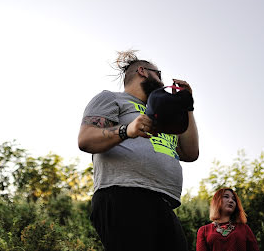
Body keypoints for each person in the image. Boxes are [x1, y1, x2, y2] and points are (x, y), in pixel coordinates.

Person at [78, 50, 199, 251]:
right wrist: (128, 130)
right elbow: (85, 139)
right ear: (142, 71)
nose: (162, 82)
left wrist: (187, 106)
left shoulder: (161, 115)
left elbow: (190, 152)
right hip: (123, 196)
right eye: (158, 74)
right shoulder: (112, 99)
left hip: (163, 202)